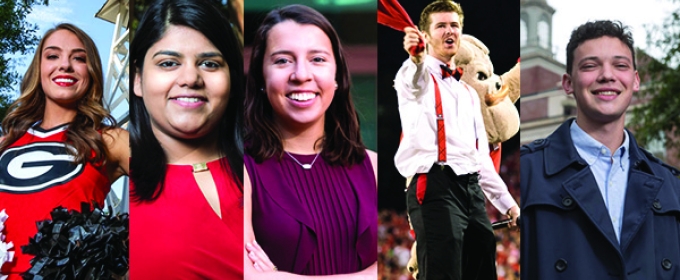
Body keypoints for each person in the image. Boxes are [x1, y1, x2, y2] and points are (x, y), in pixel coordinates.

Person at [520, 20, 680, 279]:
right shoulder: (528, 171)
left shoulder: (671, 186)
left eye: (620, 65)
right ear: (568, 83)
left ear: (635, 81)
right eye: (590, 66)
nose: (607, 75)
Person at [242, 4, 378, 278]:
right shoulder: (238, 170)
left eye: (317, 59)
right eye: (282, 60)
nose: (301, 75)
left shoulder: (374, 166)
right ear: (261, 77)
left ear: (337, 76)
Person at [393, 1, 520, 279]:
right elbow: (415, 81)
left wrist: (508, 203)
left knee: (483, 263)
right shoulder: (413, 75)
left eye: (454, 25)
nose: (449, 30)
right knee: (444, 270)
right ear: (426, 36)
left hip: (470, 188)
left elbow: (480, 158)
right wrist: (416, 58)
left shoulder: (467, 94)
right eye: (441, 26)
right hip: (434, 185)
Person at [0, 23, 129, 279]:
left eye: (79, 58)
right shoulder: (5, 143)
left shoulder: (109, 140)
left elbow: (181, 192)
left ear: (91, 71)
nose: (65, 65)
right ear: (39, 68)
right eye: (52, 56)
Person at [128, 0, 244, 278]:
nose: (191, 78)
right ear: (138, 80)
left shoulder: (270, 170)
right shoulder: (121, 178)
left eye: (209, 63)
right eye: (168, 63)